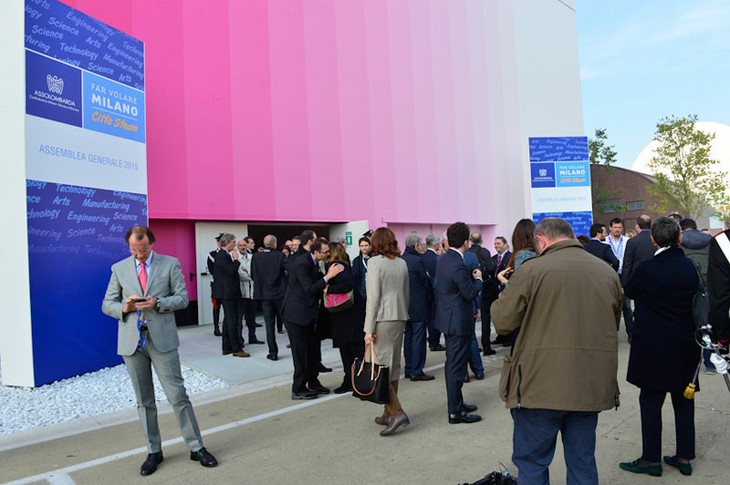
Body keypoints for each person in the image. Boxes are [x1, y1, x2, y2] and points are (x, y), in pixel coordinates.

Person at [491, 218, 621, 485]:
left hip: (538, 386)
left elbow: (503, 322)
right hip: (589, 384)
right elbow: (612, 324)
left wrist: (501, 299)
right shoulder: (606, 272)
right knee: (583, 462)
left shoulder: (532, 270)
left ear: (541, 240)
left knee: (532, 463)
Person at [102, 226, 218, 476]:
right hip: (132, 343)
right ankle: (154, 451)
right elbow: (107, 304)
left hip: (162, 340)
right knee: (144, 400)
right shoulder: (119, 269)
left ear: (152, 244)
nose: (139, 255)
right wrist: (125, 308)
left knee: (178, 395)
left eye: (144, 250)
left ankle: (196, 447)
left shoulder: (170, 264)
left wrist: (158, 303)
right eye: (134, 250)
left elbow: (183, 298)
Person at [619, 217, 700, 477]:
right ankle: (684, 455)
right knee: (684, 400)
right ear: (679, 238)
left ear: (653, 239)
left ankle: (651, 459)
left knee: (651, 402)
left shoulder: (647, 268)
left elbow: (630, 291)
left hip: (653, 344)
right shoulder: (690, 266)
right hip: (685, 342)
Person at [281, 234, 343, 400]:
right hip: (296, 314)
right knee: (300, 352)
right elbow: (309, 288)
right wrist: (328, 276)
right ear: (316, 252)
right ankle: (299, 388)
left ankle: (313, 382)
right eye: (325, 252)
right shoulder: (302, 263)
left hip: (308, 314)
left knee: (312, 350)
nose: (328, 254)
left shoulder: (314, 263)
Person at [435, 222, 483, 424]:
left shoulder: (445, 259)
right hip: (457, 321)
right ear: (465, 242)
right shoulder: (457, 263)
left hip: (449, 318)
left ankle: (458, 404)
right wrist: (478, 279)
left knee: (455, 364)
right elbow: (469, 293)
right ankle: (455, 411)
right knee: (455, 366)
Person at [364, 227, 411, 436]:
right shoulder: (401, 262)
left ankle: (396, 411)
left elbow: (373, 298)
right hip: (399, 315)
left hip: (382, 318)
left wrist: (368, 329)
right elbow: (406, 292)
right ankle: (388, 412)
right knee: (392, 366)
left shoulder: (375, 263)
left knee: (378, 367)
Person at [324, 242, 364, 394]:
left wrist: (328, 288)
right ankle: (354, 381)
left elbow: (348, 285)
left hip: (346, 315)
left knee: (350, 350)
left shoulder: (336, 267)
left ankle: (355, 381)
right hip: (348, 314)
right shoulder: (344, 265)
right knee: (351, 350)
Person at [495, 219, 538, 347]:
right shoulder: (539, 253)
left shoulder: (522, 255)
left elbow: (519, 287)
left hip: (524, 312)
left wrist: (502, 278)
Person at [401, 234, 434, 381]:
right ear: (416, 246)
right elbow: (425, 281)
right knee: (419, 338)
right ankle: (417, 370)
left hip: (404, 304)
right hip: (418, 304)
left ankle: (409, 368)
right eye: (420, 244)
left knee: (408, 337)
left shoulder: (401, 260)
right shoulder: (417, 260)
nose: (422, 246)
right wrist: (431, 298)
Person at [251, 235, 287, 361]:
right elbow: (286, 274)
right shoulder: (280, 256)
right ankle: (295, 345)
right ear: (274, 244)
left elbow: (253, 275)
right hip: (279, 293)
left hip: (264, 294)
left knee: (269, 325)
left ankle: (273, 352)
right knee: (287, 321)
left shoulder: (256, 256)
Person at [213, 233, 249, 358]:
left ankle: (227, 347)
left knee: (228, 320)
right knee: (233, 320)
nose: (235, 244)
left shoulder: (224, 255)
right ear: (228, 242)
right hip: (227, 292)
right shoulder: (222, 256)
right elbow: (231, 271)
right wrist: (236, 260)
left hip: (228, 292)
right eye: (233, 242)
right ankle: (236, 348)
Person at [483, 236, 511, 351]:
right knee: (497, 315)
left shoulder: (511, 257)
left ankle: (509, 337)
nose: (496, 246)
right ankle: (501, 336)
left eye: (498, 243)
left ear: (506, 245)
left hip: (506, 290)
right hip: (493, 291)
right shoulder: (493, 258)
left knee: (507, 314)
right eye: (495, 244)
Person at [607, 218, 633, 337]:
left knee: (626, 306)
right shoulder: (605, 241)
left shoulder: (628, 241)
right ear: (610, 228)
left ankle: (631, 333)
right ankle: (611, 334)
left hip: (624, 275)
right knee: (611, 305)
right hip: (610, 275)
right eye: (615, 227)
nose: (617, 230)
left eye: (619, 227)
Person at [236, 238, 263, 346]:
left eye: (244, 245)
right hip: (241, 292)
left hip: (252, 292)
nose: (243, 247)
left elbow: (256, 271)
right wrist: (251, 276)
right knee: (239, 319)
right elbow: (240, 274)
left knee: (251, 317)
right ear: (237, 246)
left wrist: (249, 274)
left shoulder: (252, 257)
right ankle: (239, 339)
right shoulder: (235, 257)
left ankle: (252, 337)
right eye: (241, 245)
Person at [422, 234, 445, 352]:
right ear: (436, 244)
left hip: (424, 292)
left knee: (430, 317)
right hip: (435, 292)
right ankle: (434, 341)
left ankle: (432, 340)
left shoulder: (422, 257)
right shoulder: (437, 258)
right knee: (435, 317)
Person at [207, 234, 223, 336]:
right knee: (216, 306)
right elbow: (211, 270)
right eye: (219, 241)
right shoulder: (212, 254)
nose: (221, 243)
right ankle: (216, 328)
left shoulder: (231, 253)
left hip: (229, 284)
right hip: (216, 283)